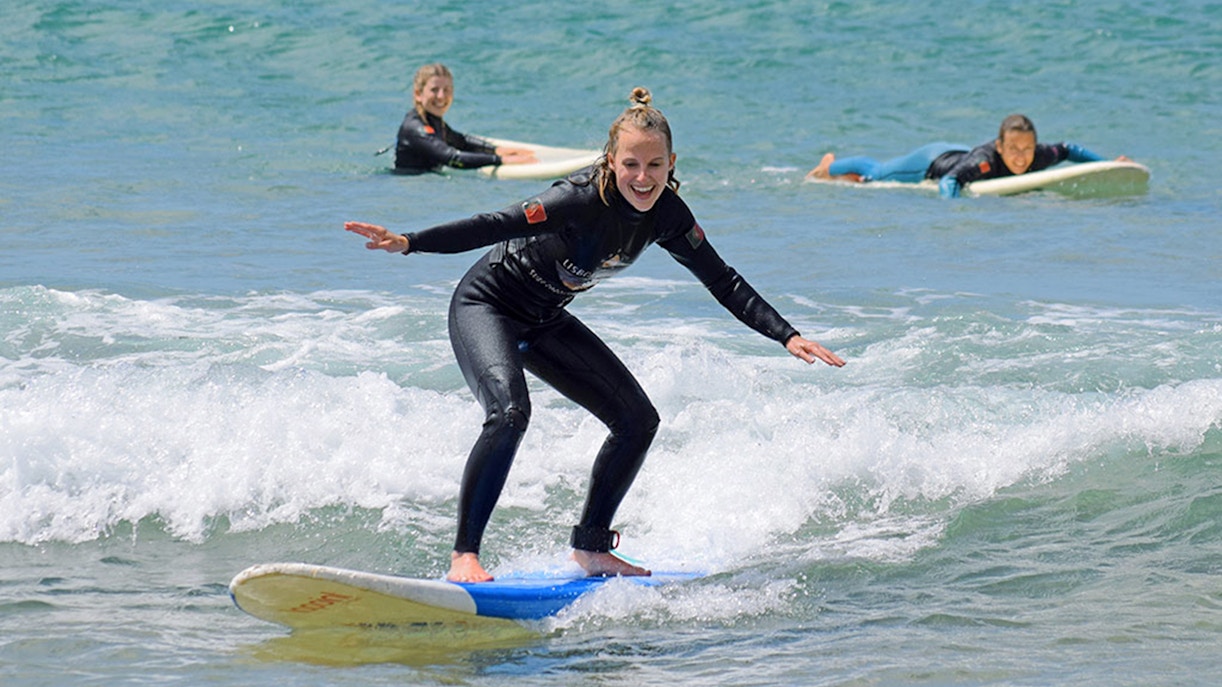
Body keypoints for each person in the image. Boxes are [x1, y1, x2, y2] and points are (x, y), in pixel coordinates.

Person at [347, 87, 846, 583]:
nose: (642, 178)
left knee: (637, 421)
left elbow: (722, 279)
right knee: (509, 414)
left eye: (654, 166)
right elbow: (494, 224)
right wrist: (410, 242)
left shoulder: (669, 216)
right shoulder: (578, 199)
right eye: (631, 164)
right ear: (611, 161)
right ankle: (464, 557)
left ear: (672, 163)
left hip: (542, 317)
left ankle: (591, 549)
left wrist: (786, 335)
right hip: (488, 305)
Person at [806, 114, 1131, 197]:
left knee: (875, 172)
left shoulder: (1038, 155)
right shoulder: (983, 161)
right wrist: (956, 213)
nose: (1021, 157)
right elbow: (950, 181)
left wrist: (1104, 164)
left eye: (1027, 149)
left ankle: (833, 166)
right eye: (1014, 150)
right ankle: (828, 167)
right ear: (1000, 146)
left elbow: (1071, 149)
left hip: (953, 151)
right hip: (930, 162)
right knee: (876, 174)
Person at [393, 63, 537, 174]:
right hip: (407, 187)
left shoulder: (433, 122)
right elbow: (452, 159)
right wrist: (501, 160)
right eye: (434, 90)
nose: (441, 96)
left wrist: (496, 150)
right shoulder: (415, 127)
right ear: (418, 94)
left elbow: (461, 141)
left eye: (447, 90)